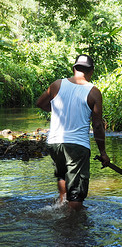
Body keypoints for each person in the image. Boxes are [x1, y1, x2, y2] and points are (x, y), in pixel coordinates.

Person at [36, 54, 110, 210]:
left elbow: (40, 103)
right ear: (91, 71)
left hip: (55, 142)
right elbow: (97, 126)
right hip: (77, 145)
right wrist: (103, 152)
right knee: (76, 194)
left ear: (74, 68)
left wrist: (57, 110)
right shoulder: (93, 92)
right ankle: (72, 227)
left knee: (63, 177)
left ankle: (60, 211)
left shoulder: (56, 85)